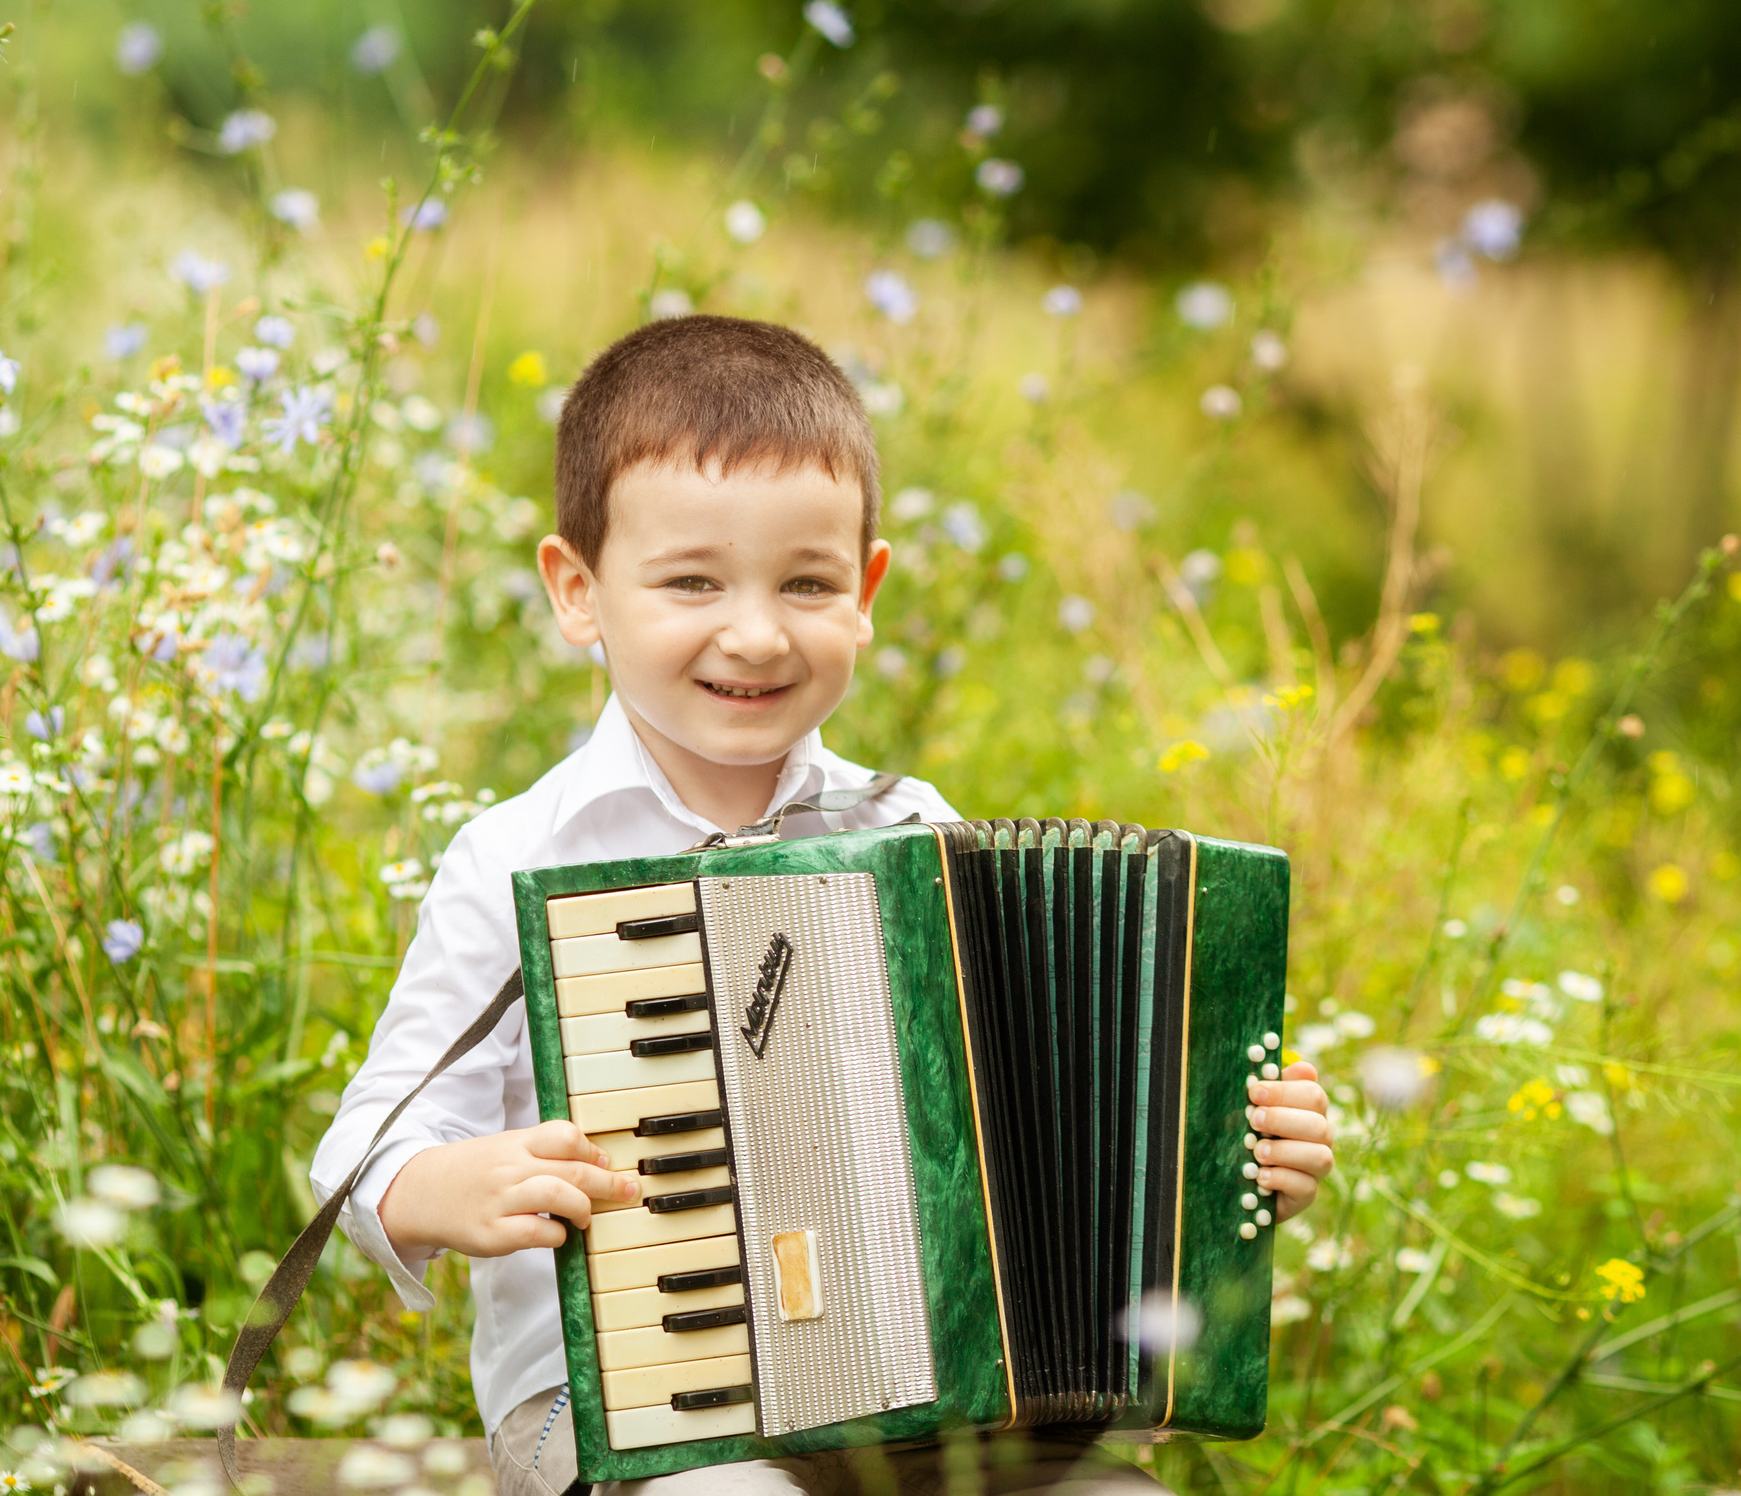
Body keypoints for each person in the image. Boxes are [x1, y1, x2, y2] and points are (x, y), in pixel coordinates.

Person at [311, 315, 1335, 1496]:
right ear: (577, 591)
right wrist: (449, 1185)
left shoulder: (913, 836)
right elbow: (367, 1141)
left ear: (866, 593)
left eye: (806, 583)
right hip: (619, 1424)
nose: (754, 632)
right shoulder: (515, 855)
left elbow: (1049, 1131)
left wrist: (1232, 1162)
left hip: (924, 1411)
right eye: (691, 581)